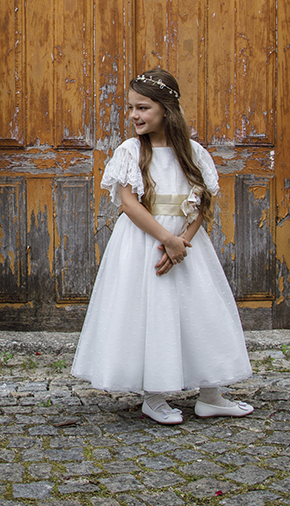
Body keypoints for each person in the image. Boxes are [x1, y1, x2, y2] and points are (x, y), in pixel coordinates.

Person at [71, 68, 253, 425]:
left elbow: (201, 202)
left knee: (200, 312)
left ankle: (211, 395)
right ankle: (154, 396)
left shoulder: (194, 153)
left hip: (186, 246)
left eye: (143, 108)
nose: (134, 115)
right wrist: (166, 240)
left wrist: (182, 241)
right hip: (145, 243)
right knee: (151, 313)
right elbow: (129, 204)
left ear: (166, 110)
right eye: (130, 108)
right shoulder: (130, 151)